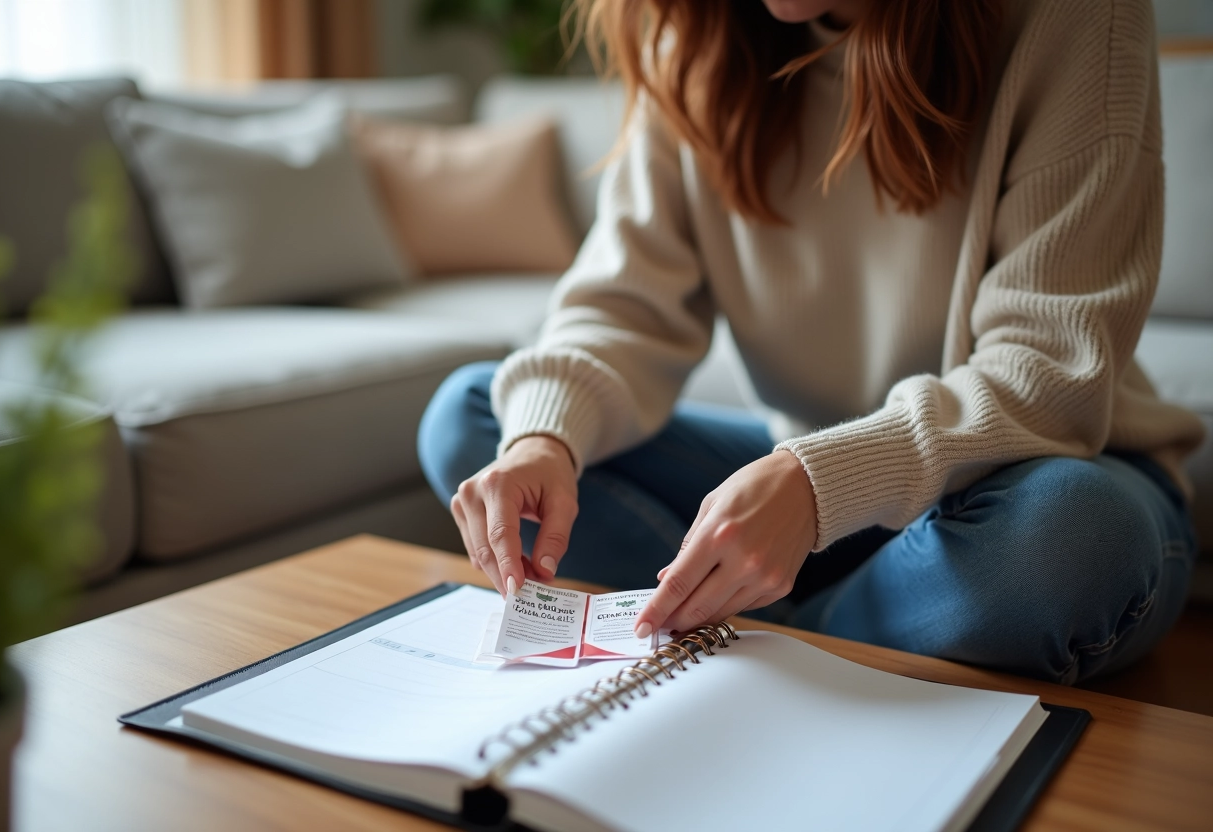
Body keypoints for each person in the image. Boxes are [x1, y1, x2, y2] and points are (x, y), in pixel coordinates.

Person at [418, 0, 1206, 684]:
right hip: (804, 498)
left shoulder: (1074, 17)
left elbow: (1048, 372)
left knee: (1076, 538)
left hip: (1020, 484)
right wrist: (545, 441)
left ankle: (760, 645)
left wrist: (816, 484)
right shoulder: (694, 37)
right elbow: (622, 309)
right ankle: (846, 627)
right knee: (479, 418)